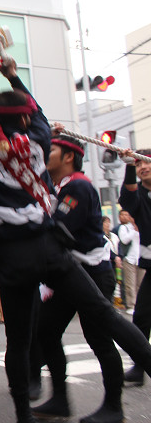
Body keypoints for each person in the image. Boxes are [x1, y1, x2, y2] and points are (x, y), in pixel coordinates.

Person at [0, 45, 151, 423]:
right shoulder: (39, 139)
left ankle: (23, 415)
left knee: (19, 341)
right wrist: (10, 73)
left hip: (13, 258)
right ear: (26, 118)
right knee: (106, 315)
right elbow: (36, 111)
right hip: (49, 248)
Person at [30, 132, 125, 423]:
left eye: (51, 150)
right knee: (46, 330)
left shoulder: (78, 187)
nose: (45, 154)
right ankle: (60, 400)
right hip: (69, 274)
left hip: (93, 273)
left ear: (69, 157)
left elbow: (59, 230)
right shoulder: (61, 186)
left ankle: (114, 407)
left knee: (99, 339)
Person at [118, 148, 151, 387]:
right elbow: (128, 198)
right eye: (139, 165)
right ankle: (140, 366)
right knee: (141, 316)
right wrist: (129, 165)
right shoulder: (137, 194)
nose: (143, 167)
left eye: (146, 162)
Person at [117, 210, 141, 315]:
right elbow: (124, 240)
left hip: (140, 258)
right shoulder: (124, 228)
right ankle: (131, 305)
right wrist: (134, 231)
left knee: (140, 284)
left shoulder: (141, 226)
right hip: (129, 259)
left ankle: (140, 304)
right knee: (130, 284)